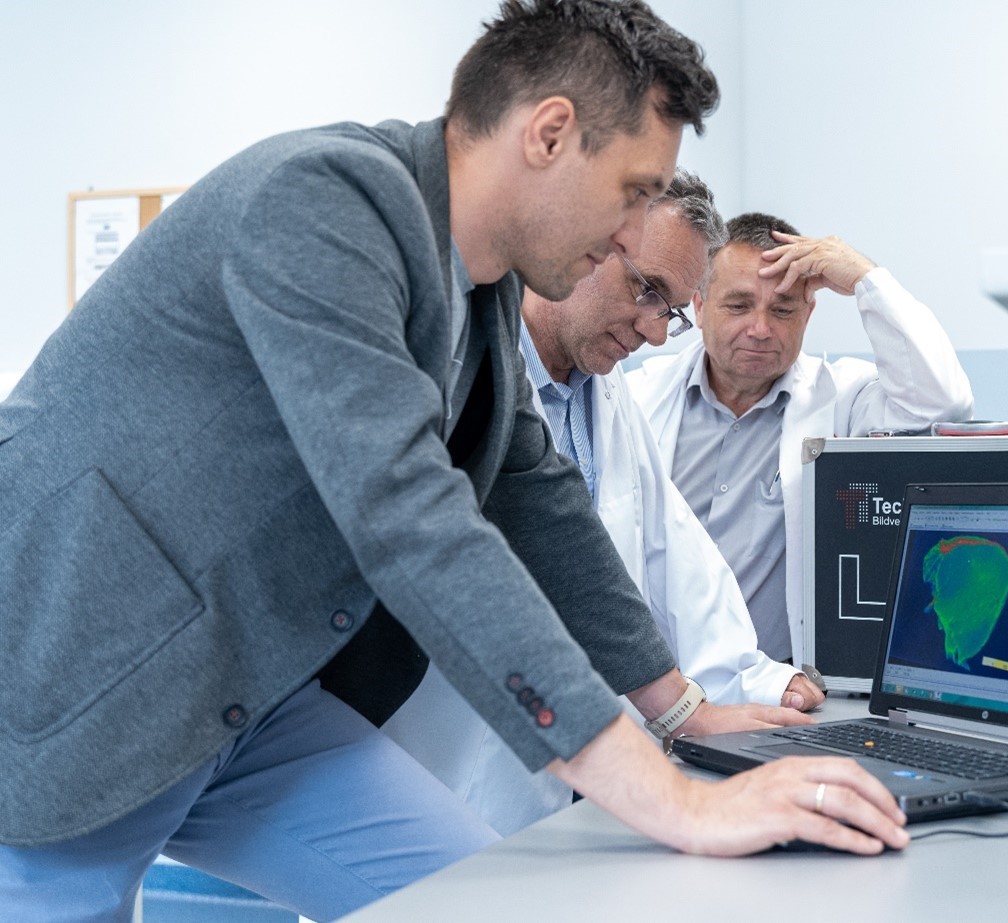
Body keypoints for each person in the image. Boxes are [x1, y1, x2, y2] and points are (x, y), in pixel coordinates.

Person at [0, 4, 908, 920]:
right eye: (634, 191)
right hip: (81, 683)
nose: (633, 230)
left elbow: (536, 497)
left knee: (476, 898)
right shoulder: (323, 202)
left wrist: (681, 710)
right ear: (549, 134)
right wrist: (675, 799)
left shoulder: (478, 290)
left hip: (252, 693)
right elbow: (409, 516)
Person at [384, 170, 824, 836]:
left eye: (670, 310)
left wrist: (745, 680)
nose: (655, 332)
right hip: (430, 741)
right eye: (646, 289)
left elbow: (673, 560)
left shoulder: (607, 398)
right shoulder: (453, 367)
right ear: (584, 244)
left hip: (568, 765)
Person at [629, 212, 975, 666]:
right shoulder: (638, 396)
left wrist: (865, 278)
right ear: (698, 304)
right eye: (738, 306)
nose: (760, 329)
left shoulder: (841, 401)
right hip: (649, 682)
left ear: (807, 314)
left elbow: (942, 403)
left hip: (772, 686)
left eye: (782, 310)